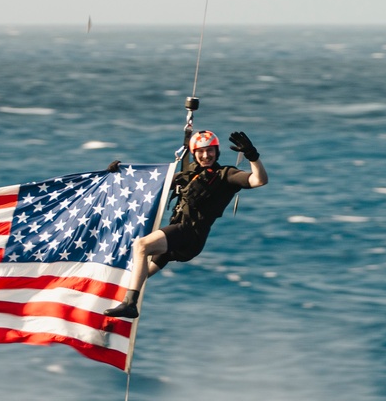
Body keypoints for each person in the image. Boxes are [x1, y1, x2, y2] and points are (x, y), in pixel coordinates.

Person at [104, 130, 268, 319]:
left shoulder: (226, 175)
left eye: (210, 151)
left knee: (141, 246)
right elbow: (149, 185)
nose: (206, 155)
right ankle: (115, 301)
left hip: (190, 235)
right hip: (178, 237)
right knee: (138, 275)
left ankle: (130, 305)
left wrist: (252, 156)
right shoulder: (187, 175)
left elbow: (260, 180)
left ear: (217, 152)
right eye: (200, 151)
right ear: (193, 153)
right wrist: (121, 174)